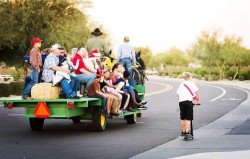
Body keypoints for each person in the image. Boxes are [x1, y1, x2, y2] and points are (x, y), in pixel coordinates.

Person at [176, 72, 200, 141]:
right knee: (188, 118)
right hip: (188, 102)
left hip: (181, 102)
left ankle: (183, 132)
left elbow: (178, 94)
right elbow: (197, 93)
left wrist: (180, 101)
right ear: (189, 77)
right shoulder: (192, 83)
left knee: (182, 118)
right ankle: (187, 133)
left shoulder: (181, 84)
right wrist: (198, 101)